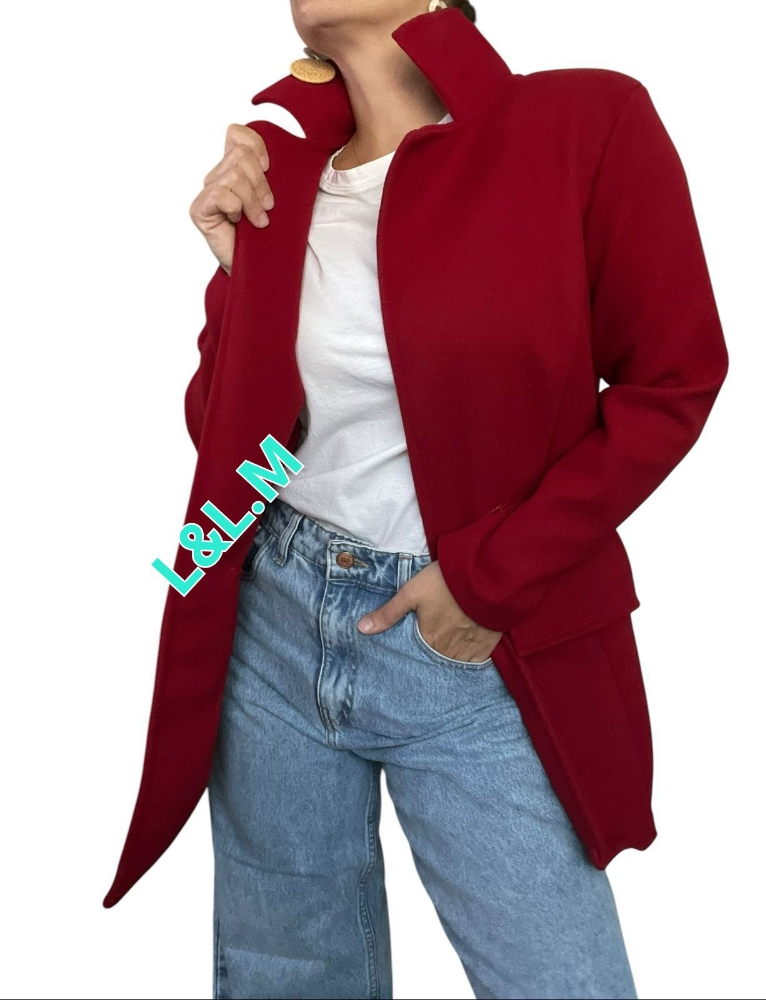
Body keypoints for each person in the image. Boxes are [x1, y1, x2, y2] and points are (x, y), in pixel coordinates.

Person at [103, 3, 729, 999]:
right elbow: (230, 439)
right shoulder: (285, 178)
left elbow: (672, 382)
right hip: (275, 613)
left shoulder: (580, 121)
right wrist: (237, 274)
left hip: (472, 640)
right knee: (287, 977)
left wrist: (486, 583)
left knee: (556, 979)